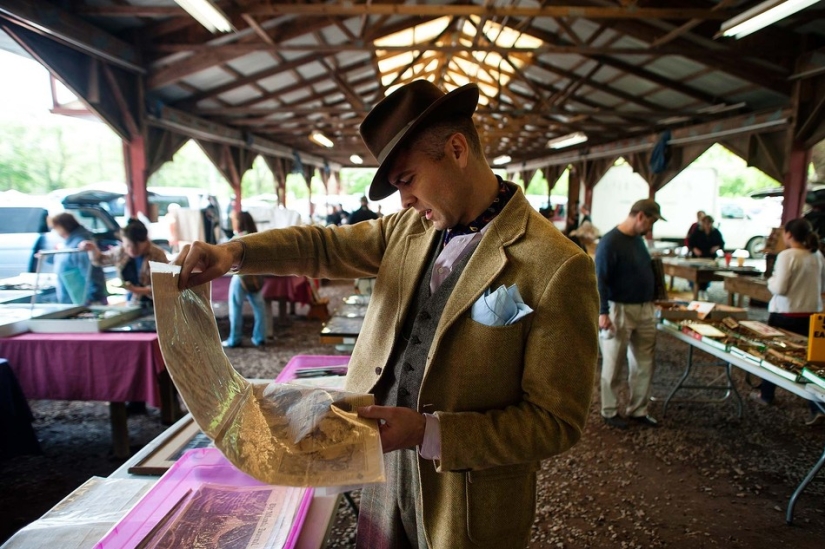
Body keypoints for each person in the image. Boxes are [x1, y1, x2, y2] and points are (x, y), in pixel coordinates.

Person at [175, 80, 599, 549]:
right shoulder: (408, 229)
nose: (404, 202)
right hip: (382, 473)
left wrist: (429, 432)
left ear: (457, 150)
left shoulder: (557, 265)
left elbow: (555, 421)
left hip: (468, 499)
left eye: (407, 180)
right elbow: (323, 245)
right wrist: (233, 253)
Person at [595, 198, 665, 430]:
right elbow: (600, 280)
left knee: (645, 361)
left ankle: (638, 409)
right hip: (619, 309)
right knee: (613, 362)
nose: (651, 228)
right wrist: (602, 311)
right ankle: (610, 409)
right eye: (651, 222)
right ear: (641, 216)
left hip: (644, 308)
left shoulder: (638, 241)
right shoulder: (610, 242)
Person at [750, 218, 825, 425]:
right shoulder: (817, 255)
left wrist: (770, 281)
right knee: (809, 361)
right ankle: (817, 406)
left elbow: (780, 288)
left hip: (786, 313)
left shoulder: (787, 256)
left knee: (772, 355)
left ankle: (766, 394)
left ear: (789, 235)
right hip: (811, 314)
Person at [81, 218, 168, 308]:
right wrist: (92, 248)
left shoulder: (158, 255)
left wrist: (137, 290)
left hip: (156, 305)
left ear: (146, 240)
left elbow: (164, 286)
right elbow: (100, 260)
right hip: (132, 303)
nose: (132, 250)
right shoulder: (121, 252)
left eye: (137, 246)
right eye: (128, 245)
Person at [223, 211, 267, 349]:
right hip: (255, 277)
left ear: (239, 222)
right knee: (260, 309)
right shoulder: (257, 237)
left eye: (234, 220)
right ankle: (260, 337)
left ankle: (234, 339)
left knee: (235, 308)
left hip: (240, 278)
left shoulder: (237, 238)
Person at [49, 212, 108, 305]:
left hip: (83, 303)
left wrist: (94, 298)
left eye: (54, 228)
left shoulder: (81, 245)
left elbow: (92, 272)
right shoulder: (68, 243)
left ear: (61, 226)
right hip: (72, 302)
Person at [688, 215, 725, 299]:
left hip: (710, 257)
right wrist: (694, 249)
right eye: (706, 223)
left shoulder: (715, 232)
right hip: (698, 257)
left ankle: (704, 290)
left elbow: (722, 243)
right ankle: (695, 289)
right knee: (696, 274)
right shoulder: (698, 232)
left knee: (707, 274)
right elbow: (691, 242)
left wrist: (717, 247)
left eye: (709, 223)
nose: (707, 225)